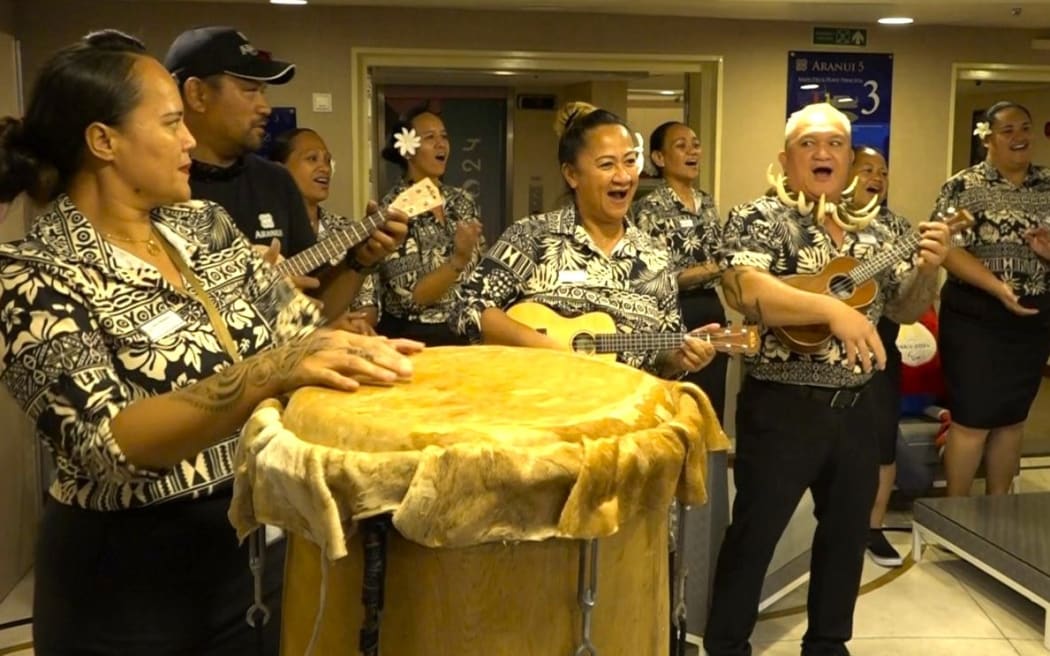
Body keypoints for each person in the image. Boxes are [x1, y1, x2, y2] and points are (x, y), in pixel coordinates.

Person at [0, 30, 421, 655]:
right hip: (129, 584)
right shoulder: (32, 274)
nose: (190, 140)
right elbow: (105, 446)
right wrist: (272, 370)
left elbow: (298, 333)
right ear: (103, 141)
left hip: (257, 549)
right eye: (172, 123)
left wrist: (357, 355)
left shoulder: (206, 225)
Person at [704, 103, 949, 656]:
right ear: (785, 159)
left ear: (851, 159)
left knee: (845, 538)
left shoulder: (885, 226)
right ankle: (725, 645)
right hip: (783, 406)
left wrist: (931, 270)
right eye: (809, 144)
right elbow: (746, 290)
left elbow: (906, 309)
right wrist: (833, 311)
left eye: (835, 144)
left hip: (860, 405)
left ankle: (828, 644)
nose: (823, 153)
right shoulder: (758, 217)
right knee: (754, 536)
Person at [449, 101, 717, 379]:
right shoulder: (533, 236)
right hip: (542, 407)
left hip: (624, 412)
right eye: (607, 164)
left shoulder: (655, 257)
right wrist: (547, 348)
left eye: (629, 161)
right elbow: (467, 307)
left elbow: (662, 358)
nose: (623, 176)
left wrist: (679, 360)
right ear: (572, 174)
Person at [164, 25, 404, 320]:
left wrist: (359, 261)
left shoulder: (276, 182)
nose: (265, 107)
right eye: (250, 91)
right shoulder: (155, 187)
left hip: (286, 364)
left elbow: (316, 308)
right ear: (197, 94)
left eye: (263, 92)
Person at [935, 101, 1050, 497]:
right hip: (975, 317)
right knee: (973, 419)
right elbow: (946, 248)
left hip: (1033, 316)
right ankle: (955, 514)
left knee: (1012, 419)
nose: (1019, 137)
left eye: (1025, 128)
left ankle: (998, 512)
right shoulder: (963, 186)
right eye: (1008, 130)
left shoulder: (1048, 184)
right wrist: (997, 286)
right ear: (988, 138)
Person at [632, 120, 728, 420]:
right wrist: (710, 269)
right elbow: (654, 277)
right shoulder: (649, 208)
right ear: (659, 158)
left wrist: (719, 269)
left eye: (696, 144)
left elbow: (722, 255)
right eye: (681, 145)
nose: (692, 152)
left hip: (711, 307)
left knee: (712, 402)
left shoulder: (707, 202)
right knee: (678, 402)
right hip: (675, 311)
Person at [367, 104, 485, 345]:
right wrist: (458, 260)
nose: (441, 144)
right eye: (430, 138)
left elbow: (479, 271)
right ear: (408, 150)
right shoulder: (393, 210)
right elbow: (412, 298)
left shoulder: (462, 201)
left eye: (444, 136)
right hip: (415, 334)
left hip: (468, 327)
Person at [848, 146, 913, 568]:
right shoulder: (822, 216)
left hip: (881, 344)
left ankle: (873, 527)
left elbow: (905, 300)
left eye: (883, 172)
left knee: (882, 440)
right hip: (825, 349)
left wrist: (925, 271)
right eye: (867, 169)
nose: (877, 177)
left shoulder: (899, 227)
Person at [270, 127, 378, 334]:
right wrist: (325, 329)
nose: (325, 168)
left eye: (328, 161)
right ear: (278, 170)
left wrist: (358, 324)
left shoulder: (347, 230)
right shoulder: (261, 229)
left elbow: (368, 304)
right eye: (312, 159)